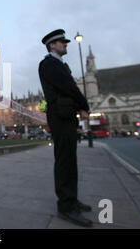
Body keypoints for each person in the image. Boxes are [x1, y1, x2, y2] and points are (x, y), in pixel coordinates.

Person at [38, 29, 93, 227]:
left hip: (67, 114)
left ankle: (72, 199)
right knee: (64, 160)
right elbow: (68, 87)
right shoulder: (48, 64)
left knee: (70, 159)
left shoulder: (60, 64)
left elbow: (70, 87)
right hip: (60, 116)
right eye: (62, 42)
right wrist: (84, 105)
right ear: (52, 45)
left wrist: (79, 107)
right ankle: (66, 206)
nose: (65, 44)